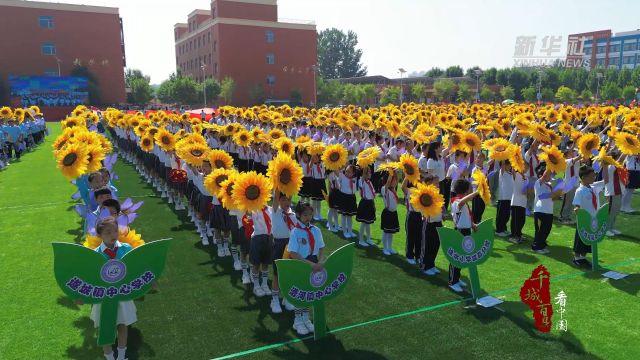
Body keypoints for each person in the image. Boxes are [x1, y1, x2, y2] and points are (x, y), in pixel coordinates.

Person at [86, 217, 136, 360]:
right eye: (107, 232)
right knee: (105, 328)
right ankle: (109, 357)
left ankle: (121, 357)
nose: (113, 235)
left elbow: (135, 269)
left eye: (115, 230)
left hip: (122, 295)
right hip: (103, 298)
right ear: (99, 235)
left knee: (122, 325)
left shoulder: (126, 249)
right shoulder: (94, 254)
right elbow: (89, 277)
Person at [287, 202, 325, 336]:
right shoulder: (295, 232)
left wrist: (320, 262)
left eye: (310, 214)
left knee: (310, 291)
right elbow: (292, 253)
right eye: (305, 215)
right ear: (298, 215)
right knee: (301, 291)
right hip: (301, 264)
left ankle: (306, 318)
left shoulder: (316, 230)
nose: (308, 217)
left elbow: (321, 248)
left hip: (315, 263)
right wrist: (309, 264)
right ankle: (297, 321)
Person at [270, 192, 297, 313]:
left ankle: (287, 297)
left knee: (290, 273)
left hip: (290, 245)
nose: (286, 202)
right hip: (279, 245)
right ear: (278, 201)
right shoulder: (275, 211)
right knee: (277, 273)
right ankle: (274, 299)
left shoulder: (293, 214)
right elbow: (275, 197)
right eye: (283, 200)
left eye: (288, 199)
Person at [572, 165, 605, 268]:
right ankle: (577, 258)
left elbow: (606, 181)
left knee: (588, 241)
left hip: (593, 219)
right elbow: (577, 205)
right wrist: (577, 209)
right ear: (583, 178)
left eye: (594, 176)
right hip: (584, 220)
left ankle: (583, 257)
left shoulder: (594, 187)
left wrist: (605, 166)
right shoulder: (580, 191)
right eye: (591, 177)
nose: (594, 178)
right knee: (580, 239)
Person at [449, 179, 478, 293]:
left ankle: (457, 278)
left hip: (466, 231)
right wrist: (475, 193)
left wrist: (473, 224)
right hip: (459, 232)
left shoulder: (462, 201)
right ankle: (452, 281)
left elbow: (466, 216)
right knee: (456, 257)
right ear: (465, 190)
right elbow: (461, 203)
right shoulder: (456, 201)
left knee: (462, 257)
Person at [531, 163, 560, 254]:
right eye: (548, 174)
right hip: (540, 211)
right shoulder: (538, 182)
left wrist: (558, 194)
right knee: (540, 230)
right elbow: (542, 196)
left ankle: (542, 245)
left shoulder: (549, 185)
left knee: (547, 229)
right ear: (541, 175)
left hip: (548, 211)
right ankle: (537, 247)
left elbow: (552, 198)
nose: (550, 176)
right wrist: (550, 164)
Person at [248, 205, 273, 298]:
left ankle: (265, 284)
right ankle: (256, 286)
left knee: (266, 263)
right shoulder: (254, 209)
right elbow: (248, 214)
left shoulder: (270, 209)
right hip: (257, 238)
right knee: (256, 264)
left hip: (269, 238)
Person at [603, 150, 626, 236]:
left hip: (618, 191)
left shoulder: (614, 166)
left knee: (615, 211)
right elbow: (622, 158)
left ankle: (611, 227)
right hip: (612, 192)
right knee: (610, 212)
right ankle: (606, 229)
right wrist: (628, 147)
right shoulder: (611, 166)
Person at [380, 171, 400, 255]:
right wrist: (391, 172)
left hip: (393, 213)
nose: (396, 182)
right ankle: (385, 248)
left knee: (391, 232)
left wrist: (395, 172)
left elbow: (398, 179)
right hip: (387, 213)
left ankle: (389, 247)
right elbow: (388, 182)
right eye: (394, 180)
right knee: (386, 231)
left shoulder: (393, 189)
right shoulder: (384, 189)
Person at [356, 166, 376, 247]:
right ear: (365, 173)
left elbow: (372, 194)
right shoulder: (362, 181)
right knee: (364, 223)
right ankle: (361, 240)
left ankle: (368, 239)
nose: (370, 174)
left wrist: (373, 205)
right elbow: (363, 175)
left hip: (370, 203)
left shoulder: (369, 182)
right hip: (364, 203)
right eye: (369, 172)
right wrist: (365, 165)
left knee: (368, 223)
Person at [337, 165, 357, 238]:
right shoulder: (342, 176)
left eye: (349, 172)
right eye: (346, 171)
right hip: (344, 197)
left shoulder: (355, 178)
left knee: (349, 216)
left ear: (353, 173)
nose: (347, 172)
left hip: (351, 198)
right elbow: (338, 168)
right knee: (344, 215)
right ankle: (344, 231)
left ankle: (350, 231)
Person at [495, 161, 513, 237]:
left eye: (510, 165)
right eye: (508, 165)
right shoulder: (502, 172)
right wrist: (503, 156)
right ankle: (499, 230)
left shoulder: (510, 174)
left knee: (506, 215)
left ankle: (504, 228)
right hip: (503, 198)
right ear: (504, 165)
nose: (510, 166)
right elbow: (502, 163)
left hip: (509, 198)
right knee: (501, 215)